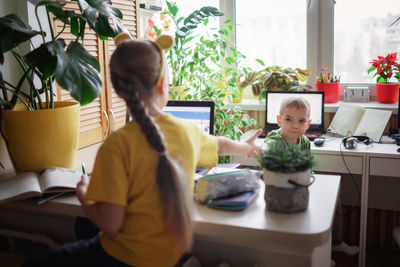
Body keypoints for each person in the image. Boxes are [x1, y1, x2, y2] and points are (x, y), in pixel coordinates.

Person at [22, 35, 262, 267]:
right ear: (161, 85)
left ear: (116, 89)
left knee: (35, 262)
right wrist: (244, 147)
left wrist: (85, 197)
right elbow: (218, 144)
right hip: (166, 258)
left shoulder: (116, 145)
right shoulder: (187, 131)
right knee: (81, 228)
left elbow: (111, 225)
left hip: (122, 258)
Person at [263, 96, 359, 266]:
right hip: (282, 189)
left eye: (301, 121)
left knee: (333, 197)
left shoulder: (305, 141)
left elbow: (306, 167)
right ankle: (316, 255)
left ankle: (336, 242)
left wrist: (316, 181)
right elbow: (268, 148)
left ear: (308, 124)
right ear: (279, 120)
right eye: (288, 119)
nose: (295, 125)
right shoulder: (275, 140)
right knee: (311, 214)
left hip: (300, 183)